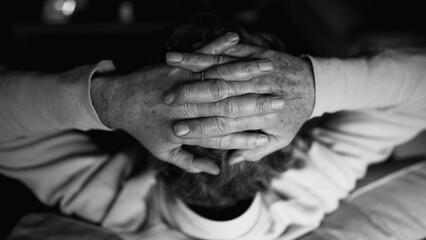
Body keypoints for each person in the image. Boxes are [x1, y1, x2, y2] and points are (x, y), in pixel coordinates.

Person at [2, 13, 426, 240]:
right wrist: (314, 87)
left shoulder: (105, 197)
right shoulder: (320, 179)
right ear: (287, 140)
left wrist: (111, 100)